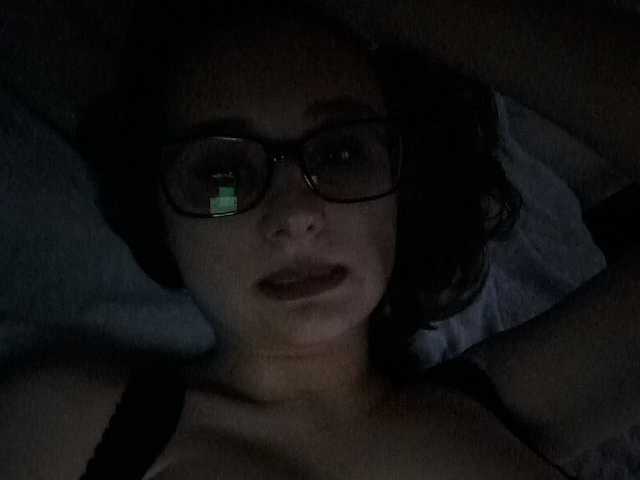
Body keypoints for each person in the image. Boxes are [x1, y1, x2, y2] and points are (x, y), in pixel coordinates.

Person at [2, 1, 638, 479]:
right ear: (160, 214)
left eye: (341, 154)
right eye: (223, 175)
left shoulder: (503, 412)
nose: (296, 213)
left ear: (403, 186)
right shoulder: (68, 428)